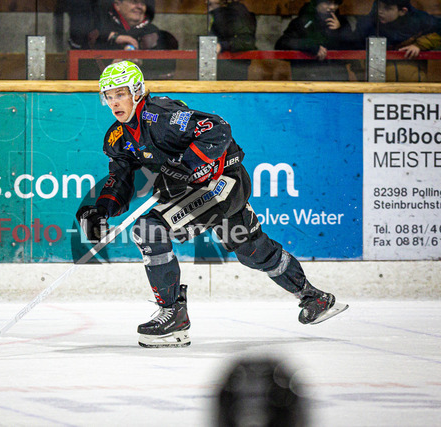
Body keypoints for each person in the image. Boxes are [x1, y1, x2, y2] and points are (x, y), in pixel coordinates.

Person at [76, 61, 348, 348]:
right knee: (251, 249)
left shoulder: (161, 115)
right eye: (109, 96)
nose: (114, 102)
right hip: (199, 190)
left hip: (223, 183)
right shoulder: (118, 138)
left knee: (149, 229)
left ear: (137, 91)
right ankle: (314, 298)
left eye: (120, 94)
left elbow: (217, 129)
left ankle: (173, 315)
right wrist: (100, 210)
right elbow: (120, 180)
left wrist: (185, 168)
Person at [353, 0, 441, 81]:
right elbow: (355, 48)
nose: (380, 11)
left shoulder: (420, 20)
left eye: (387, 8)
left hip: (414, 83)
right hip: (377, 83)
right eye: (379, 6)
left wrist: (419, 45)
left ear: (403, 11)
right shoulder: (368, 24)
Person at [90, 0, 178, 79]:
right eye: (134, 2)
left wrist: (141, 62)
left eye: (143, 3)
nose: (139, 6)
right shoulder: (102, 31)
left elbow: (164, 69)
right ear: (117, 5)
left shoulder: (154, 33)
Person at [275, 0, 355, 81]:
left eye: (336, 3)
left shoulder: (342, 22)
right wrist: (310, 46)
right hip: (307, 78)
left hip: (337, 78)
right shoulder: (302, 21)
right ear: (317, 3)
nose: (332, 7)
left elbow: (353, 49)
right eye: (327, 3)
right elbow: (282, 43)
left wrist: (340, 31)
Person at [208, 0, 257, 80]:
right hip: (221, 67)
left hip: (233, 69)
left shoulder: (235, 13)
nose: (205, 2)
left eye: (209, 3)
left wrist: (222, 46)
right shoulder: (216, 14)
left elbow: (246, 41)